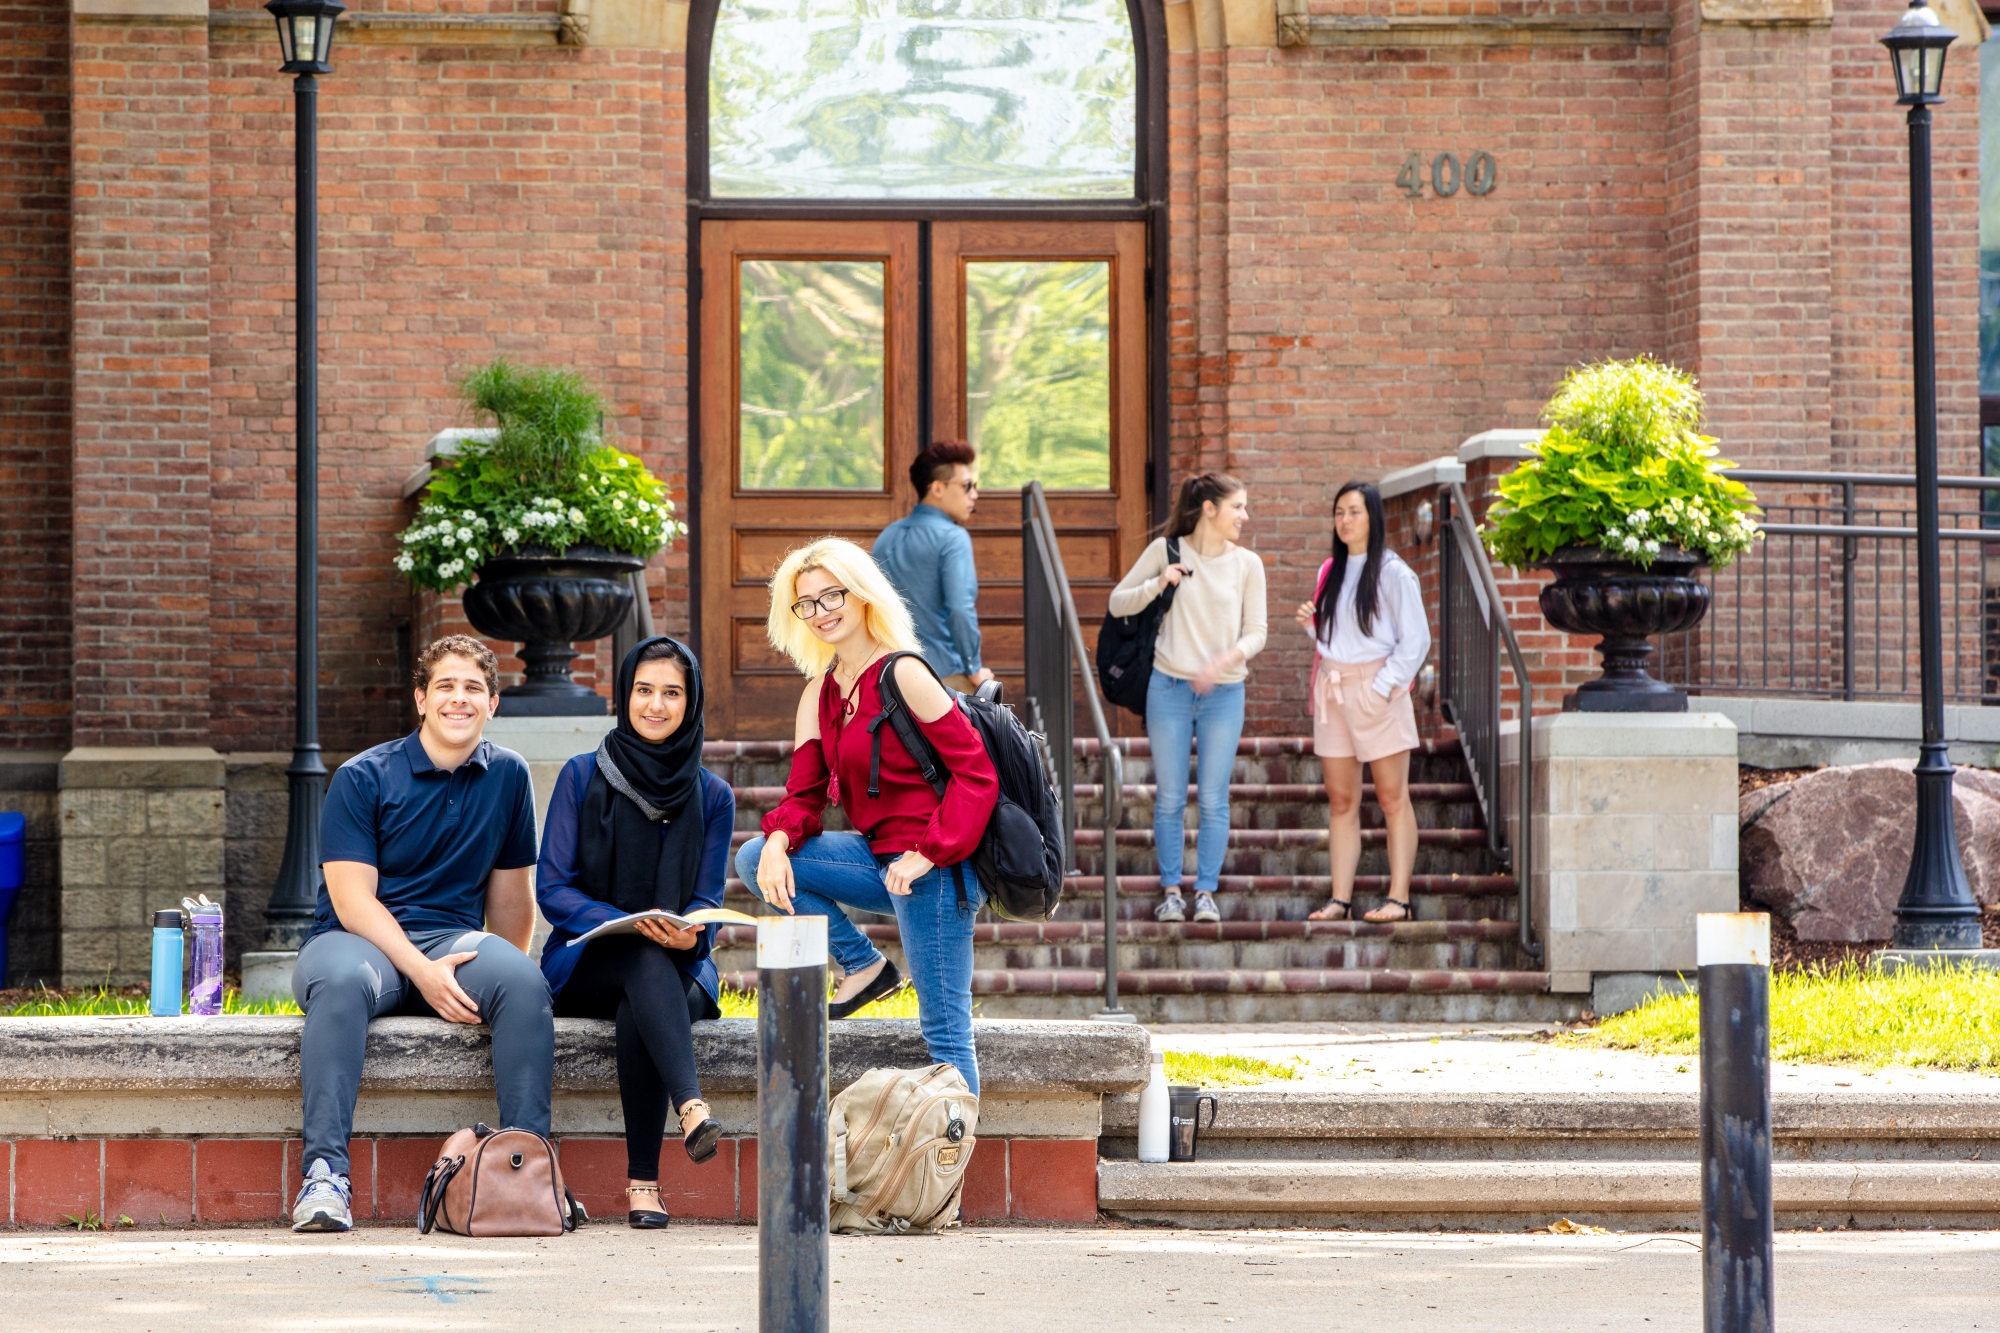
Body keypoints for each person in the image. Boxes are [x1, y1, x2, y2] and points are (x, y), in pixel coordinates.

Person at [291, 635, 551, 1233]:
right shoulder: (363, 776)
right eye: (445, 686)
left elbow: (512, 901)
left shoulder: (509, 775)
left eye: (473, 688)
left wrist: (501, 987)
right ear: (420, 699)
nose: (459, 699)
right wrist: (422, 973)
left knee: (523, 982)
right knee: (342, 981)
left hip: (451, 941)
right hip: (354, 941)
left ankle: (528, 1176)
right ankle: (325, 1177)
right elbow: (353, 901)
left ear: (492, 704)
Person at [734, 537, 999, 1093]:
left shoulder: (904, 674)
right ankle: (865, 965)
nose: (820, 611)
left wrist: (928, 853)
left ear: (862, 595)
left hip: (936, 869)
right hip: (879, 860)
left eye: (832, 595)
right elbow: (804, 795)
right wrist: (779, 841)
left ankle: (954, 1151)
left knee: (946, 1035)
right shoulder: (820, 694)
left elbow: (977, 774)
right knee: (756, 857)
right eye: (806, 603)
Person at [534, 636, 733, 1229]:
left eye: (672, 693)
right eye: (644, 690)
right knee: (640, 958)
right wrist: (617, 923)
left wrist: (690, 936)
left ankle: (644, 1187)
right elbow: (553, 888)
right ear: (624, 695)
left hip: (679, 964)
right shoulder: (581, 776)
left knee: (641, 1000)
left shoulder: (712, 795)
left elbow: (707, 900)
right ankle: (689, 1108)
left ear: (691, 702)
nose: (656, 705)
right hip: (588, 962)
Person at [1107, 473, 1268, 925]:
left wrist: (1223, 662)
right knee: (1170, 798)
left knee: (1214, 798)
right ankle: (1172, 892)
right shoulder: (1167, 551)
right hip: (1168, 689)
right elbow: (1118, 603)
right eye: (1237, 506)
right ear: (1210, 509)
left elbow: (1257, 632)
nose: (1244, 515)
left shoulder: (1248, 564)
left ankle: (1207, 892)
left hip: (1225, 693)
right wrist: (1157, 584)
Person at [1297, 481, 1430, 923]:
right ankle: (1340, 899)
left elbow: (1416, 640)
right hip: (1334, 689)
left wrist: (1381, 687)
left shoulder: (1393, 572)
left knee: (1392, 798)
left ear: (1373, 517)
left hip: (1377, 689)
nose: (1345, 520)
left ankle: (1399, 899)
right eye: (1339, 512)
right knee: (1341, 801)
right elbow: (1339, 639)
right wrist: (1314, 629)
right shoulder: (1330, 571)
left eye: (1354, 511)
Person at [871, 439, 996, 694]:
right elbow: (960, 609)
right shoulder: (953, 538)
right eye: (967, 486)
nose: (974, 494)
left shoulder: (886, 537)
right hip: (943, 676)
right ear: (938, 488)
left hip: (889, 676)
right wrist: (973, 668)